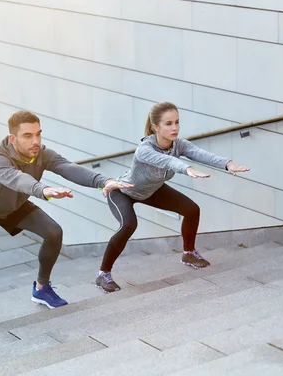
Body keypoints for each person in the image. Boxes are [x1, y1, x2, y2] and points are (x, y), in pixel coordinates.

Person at [0, 110, 132, 329]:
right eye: (28, 136)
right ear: (13, 139)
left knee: (53, 232)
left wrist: (104, 181)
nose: (36, 141)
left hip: (13, 206)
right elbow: (18, 180)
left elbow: (69, 168)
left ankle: (41, 288)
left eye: (38, 134)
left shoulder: (42, 154)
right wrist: (45, 189)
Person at [95, 102, 250, 293]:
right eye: (168, 124)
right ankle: (103, 274)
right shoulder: (144, 149)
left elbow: (200, 154)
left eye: (177, 122)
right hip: (124, 191)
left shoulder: (179, 144)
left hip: (152, 190)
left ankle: (188, 254)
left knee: (191, 209)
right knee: (128, 225)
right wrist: (187, 168)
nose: (174, 128)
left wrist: (228, 164)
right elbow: (167, 161)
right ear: (155, 127)